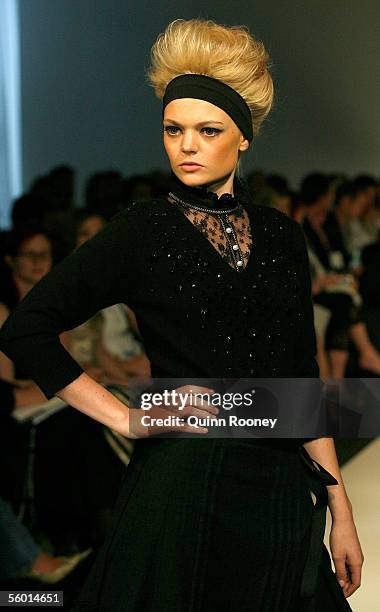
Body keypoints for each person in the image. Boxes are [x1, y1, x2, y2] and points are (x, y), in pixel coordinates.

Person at [0, 19, 362, 612]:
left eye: (207, 129)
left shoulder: (282, 237)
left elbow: (301, 384)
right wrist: (123, 417)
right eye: (173, 129)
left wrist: (340, 508)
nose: (186, 145)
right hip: (182, 484)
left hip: (276, 490)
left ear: (243, 138)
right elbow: (26, 328)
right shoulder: (143, 230)